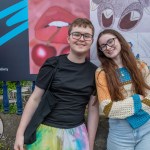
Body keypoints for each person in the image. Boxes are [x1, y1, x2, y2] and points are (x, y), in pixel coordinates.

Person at [14, 18, 99, 150]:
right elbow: (35, 99)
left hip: (77, 135)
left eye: (86, 35)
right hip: (46, 133)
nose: (81, 39)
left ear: (91, 41)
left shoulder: (95, 72)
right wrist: (20, 134)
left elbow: (93, 110)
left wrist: (90, 145)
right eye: (76, 34)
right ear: (68, 39)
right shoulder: (52, 64)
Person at [95, 29, 150, 150]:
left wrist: (124, 107)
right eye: (103, 46)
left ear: (119, 40)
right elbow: (107, 108)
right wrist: (137, 99)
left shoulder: (141, 66)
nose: (108, 47)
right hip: (120, 133)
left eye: (110, 41)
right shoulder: (101, 73)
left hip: (147, 128)